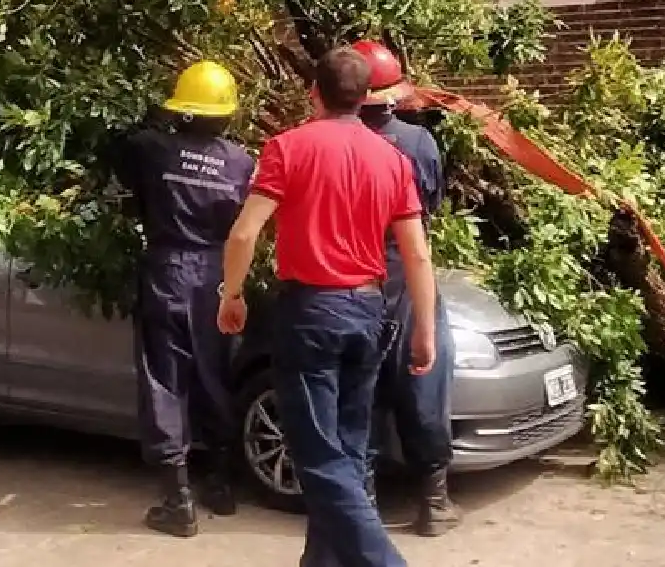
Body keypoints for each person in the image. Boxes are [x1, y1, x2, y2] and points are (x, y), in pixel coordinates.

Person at [217, 47, 438, 567]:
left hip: (311, 313)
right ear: (366, 99)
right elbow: (418, 254)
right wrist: (423, 330)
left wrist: (232, 294)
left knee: (318, 458)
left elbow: (245, 232)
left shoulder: (288, 148)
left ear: (313, 92)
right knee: (351, 452)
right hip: (368, 312)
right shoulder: (392, 159)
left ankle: (385, 562)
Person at [109, 60, 255, 538]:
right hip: (217, 274)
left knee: (165, 381)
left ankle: (177, 498)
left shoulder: (154, 149)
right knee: (215, 375)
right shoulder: (240, 161)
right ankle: (220, 483)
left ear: (183, 110)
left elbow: (119, 151)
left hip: (168, 271)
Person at [352, 40, 462, 537]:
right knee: (424, 388)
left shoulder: (333, 141)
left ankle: (366, 506)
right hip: (406, 275)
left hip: (353, 281)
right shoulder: (418, 143)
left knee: (361, 394)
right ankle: (434, 504)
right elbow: (429, 209)